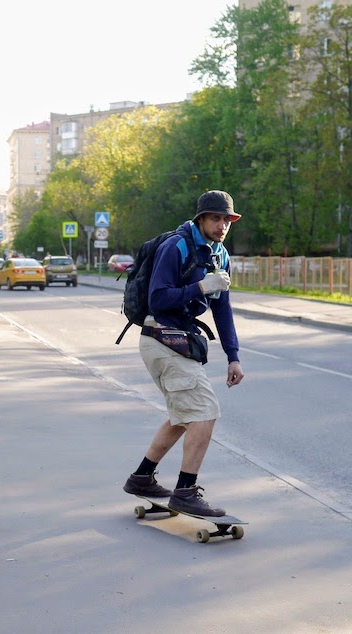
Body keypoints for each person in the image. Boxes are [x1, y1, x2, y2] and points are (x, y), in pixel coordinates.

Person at [123, 190, 245, 517]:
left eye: (227, 220)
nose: (222, 226)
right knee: (204, 411)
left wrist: (233, 354)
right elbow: (159, 298)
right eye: (215, 218)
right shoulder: (176, 246)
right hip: (160, 337)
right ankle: (185, 491)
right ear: (201, 219)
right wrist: (201, 287)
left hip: (178, 340)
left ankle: (142, 478)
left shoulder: (219, 255)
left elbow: (223, 309)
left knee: (182, 416)